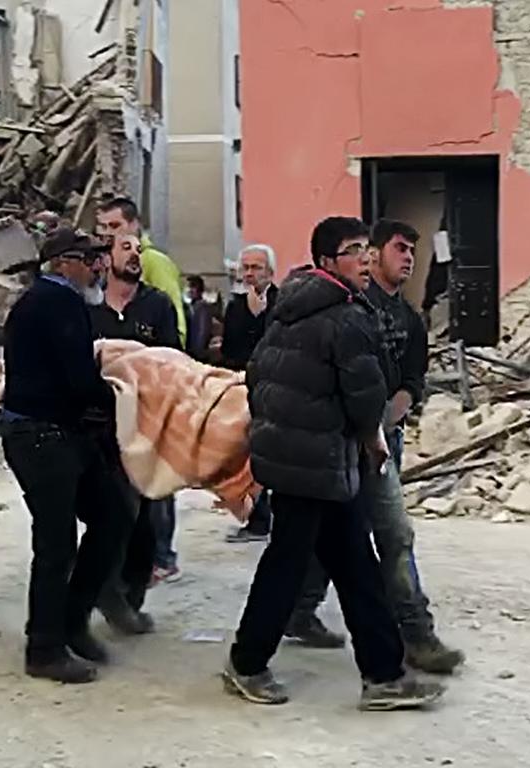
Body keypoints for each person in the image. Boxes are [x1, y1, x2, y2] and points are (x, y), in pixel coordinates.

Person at [222, 216, 445, 711]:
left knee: (354, 564)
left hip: (306, 461)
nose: (365, 258)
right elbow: (367, 400)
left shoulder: (290, 309)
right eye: (353, 250)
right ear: (328, 261)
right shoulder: (347, 316)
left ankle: (383, 676)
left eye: (367, 247)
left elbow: (259, 375)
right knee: (288, 565)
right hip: (317, 463)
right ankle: (246, 662)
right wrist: (373, 437)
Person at [287, 220, 465, 673]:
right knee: (337, 535)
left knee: (392, 534)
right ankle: (301, 610)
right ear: (372, 253)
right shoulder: (346, 304)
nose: (407, 257)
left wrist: (381, 425)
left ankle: (415, 633)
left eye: (411, 250)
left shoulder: (408, 319)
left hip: (381, 445)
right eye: (399, 248)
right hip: (336, 442)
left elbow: (411, 383)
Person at [1, 226, 130, 684]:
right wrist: (127, 398)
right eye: (88, 257)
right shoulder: (57, 302)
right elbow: (78, 378)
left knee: (113, 515)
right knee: (56, 543)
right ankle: (45, 648)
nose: (98, 265)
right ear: (62, 263)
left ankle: (72, 621)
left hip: (59, 432)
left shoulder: (48, 301)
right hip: (42, 436)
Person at [87, 232, 180, 635]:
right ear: (106, 259)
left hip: (147, 425)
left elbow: (173, 359)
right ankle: (109, 593)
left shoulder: (156, 304)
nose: (135, 255)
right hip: (99, 428)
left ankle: (130, 595)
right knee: (113, 515)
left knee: (147, 520)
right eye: (126, 248)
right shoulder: (89, 308)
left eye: (138, 249)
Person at [220, 244, 280, 544]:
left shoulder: (284, 302)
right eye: (245, 268)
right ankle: (257, 519)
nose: (249, 274)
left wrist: (261, 316)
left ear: (270, 271)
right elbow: (230, 350)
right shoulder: (235, 307)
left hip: (279, 390)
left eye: (255, 268)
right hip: (245, 389)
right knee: (249, 458)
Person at [96, 197, 187, 347]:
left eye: (115, 226)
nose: (109, 233)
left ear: (133, 225)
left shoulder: (155, 262)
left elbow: (177, 326)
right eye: (105, 227)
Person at [185, 275, 215, 361]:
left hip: (196, 354)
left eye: (193, 286)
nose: (190, 290)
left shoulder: (202, 307)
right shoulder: (191, 306)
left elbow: (202, 331)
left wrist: (197, 353)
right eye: (189, 286)